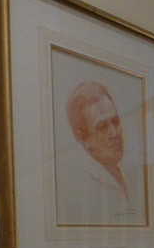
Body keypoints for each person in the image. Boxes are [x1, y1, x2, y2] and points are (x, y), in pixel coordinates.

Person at [58, 81, 145, 226]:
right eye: (102, 126)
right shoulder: (75, 186)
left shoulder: (132, 174)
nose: (115, 133)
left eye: (115, 121)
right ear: (83, 138)